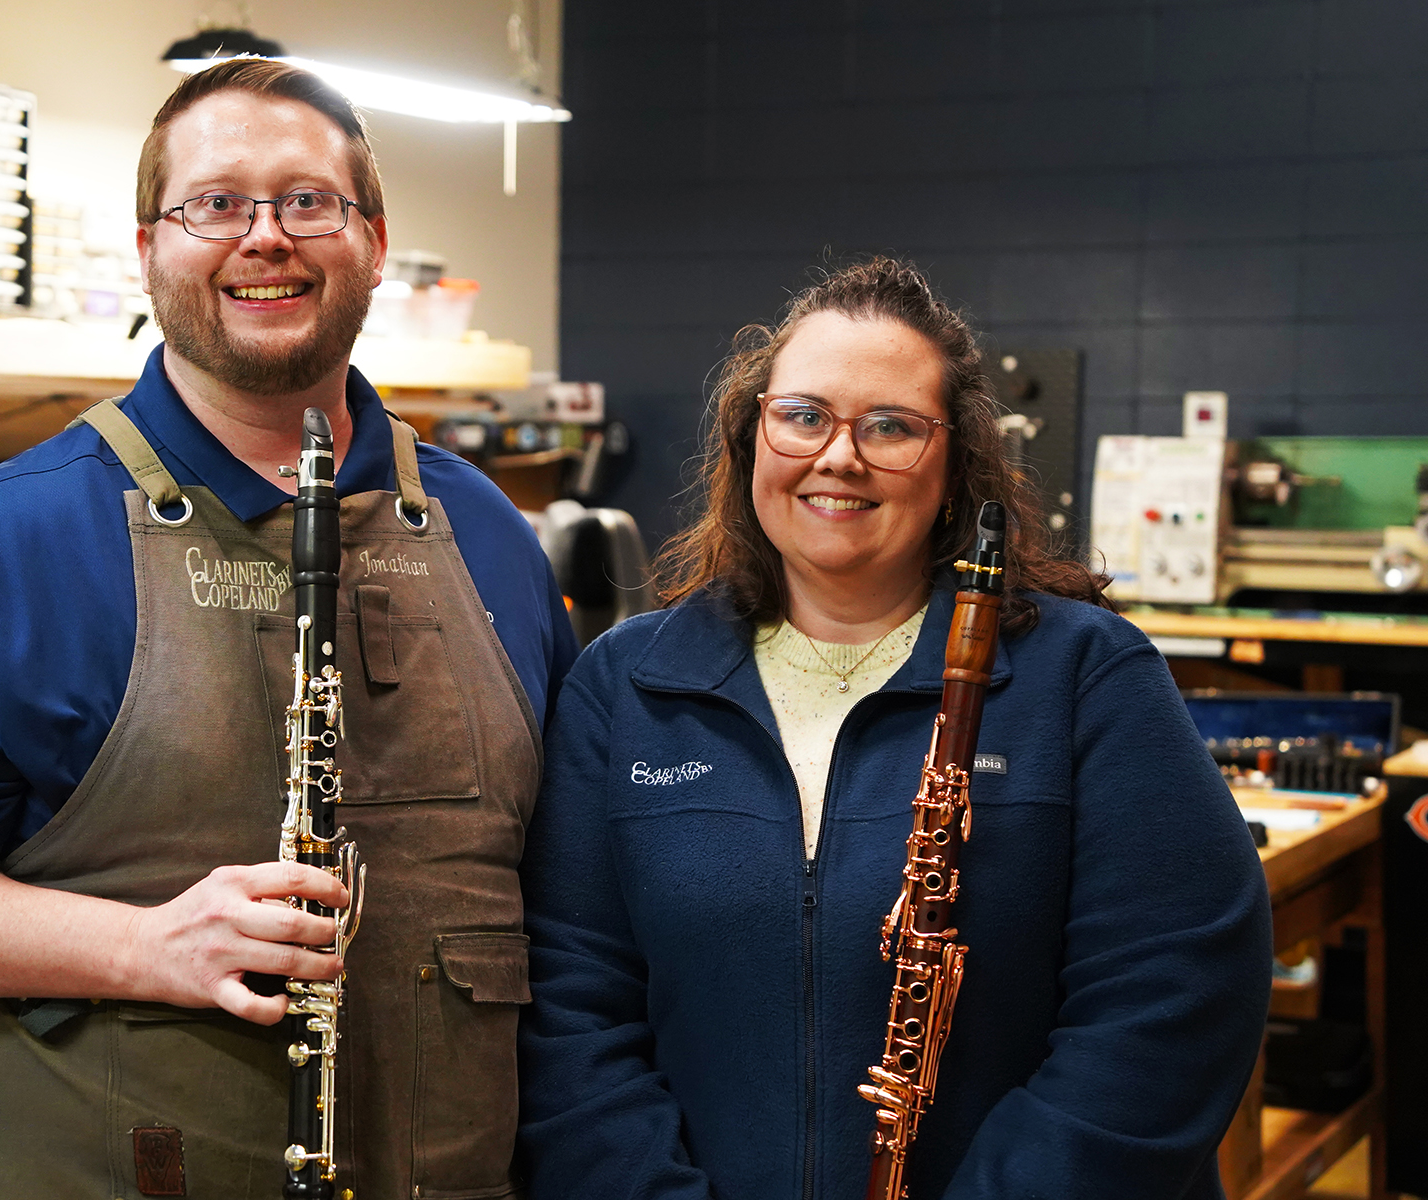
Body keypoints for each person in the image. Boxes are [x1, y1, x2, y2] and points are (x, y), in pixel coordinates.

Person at [0, 58, 576, 1200]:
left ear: (375, 242)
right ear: (150, 250)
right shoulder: (1, 545)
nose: (265, 236)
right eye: (215, 204)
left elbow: (565, 902)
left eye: (307, 201)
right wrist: (144, 947)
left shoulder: (487, 534)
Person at [516, 257, 1271, 1200]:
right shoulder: (623, 686)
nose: (840, 456)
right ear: (752, 437)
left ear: (955, 465)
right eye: (803, 417)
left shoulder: (1088, 676)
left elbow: (1174, 998)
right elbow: (570, 1013)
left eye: (891, 428)